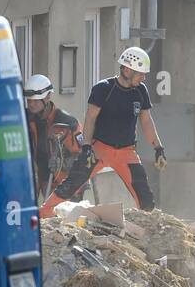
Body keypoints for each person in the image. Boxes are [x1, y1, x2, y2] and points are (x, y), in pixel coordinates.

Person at [39, 47, 166, 217]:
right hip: (98, 148)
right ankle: (43, 216)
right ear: (127, 69)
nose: (143, 77)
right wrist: (86, 147)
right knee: (71, 184)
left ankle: (148, 231)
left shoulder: (141, 91)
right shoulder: (103, 88)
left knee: (145, 197)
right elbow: (90, 118)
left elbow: (146, 121)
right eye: (140, 73)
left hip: (127, 152)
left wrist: (158, 148)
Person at [23, 74, 84, 203]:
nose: (31, 104)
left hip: (62, 183)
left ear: (48, 97)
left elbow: (81, 156)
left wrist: (73, 186)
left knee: (61, 219)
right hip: (37, 178)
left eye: (35, 100)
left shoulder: (68, 123)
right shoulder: (25, 119)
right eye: (29, 101)